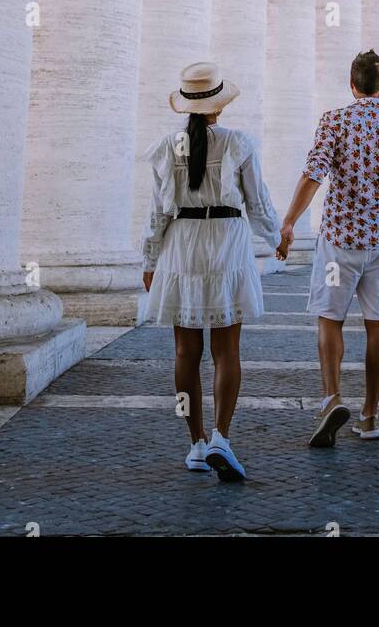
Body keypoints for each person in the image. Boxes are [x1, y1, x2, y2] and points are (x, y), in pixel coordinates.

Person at [277, 49, 379, 447]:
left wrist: (289, 221)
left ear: (352, 83)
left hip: (340, 242)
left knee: (329, 318)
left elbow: (314, 173)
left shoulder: (336, 120)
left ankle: (331, 398)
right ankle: (371, 416)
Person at [141, 60, 280, 482]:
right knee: (227, 351)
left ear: (185, 106)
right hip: (227, 243)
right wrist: (277, 238)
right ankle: (222, 434)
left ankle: (196, 443)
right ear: (219, 105)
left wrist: (149, 260)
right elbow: (257, 204)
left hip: (182, 244)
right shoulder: (239, 143)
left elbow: (156, 214)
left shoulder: (167, 147)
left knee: (185, 353)